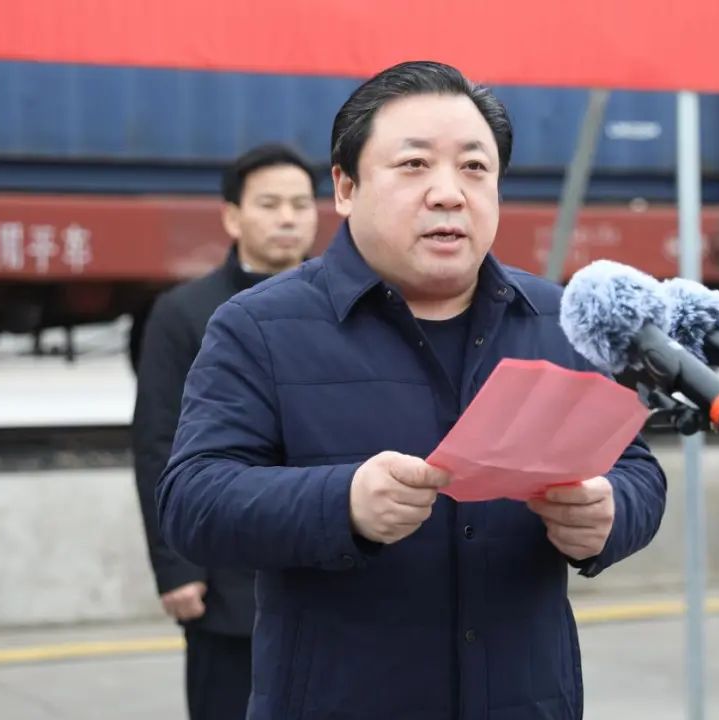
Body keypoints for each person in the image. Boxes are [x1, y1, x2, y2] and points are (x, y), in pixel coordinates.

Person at [157, 61, 667, 720]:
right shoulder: (260, 326)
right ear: (346, 187)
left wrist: (610, 512)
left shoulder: (556, 319)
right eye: (414, 165)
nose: (448, 193)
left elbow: (635, 468)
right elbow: (193, 500)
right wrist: (343, 502)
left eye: (475, 168)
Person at [132, 143, 320, 720]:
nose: (287, 218)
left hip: (329, 571)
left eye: (300, 204)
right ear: (233, 217)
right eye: (269, 204)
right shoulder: (185, 313)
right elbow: (158, 440)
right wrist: (176, 568)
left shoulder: (346, 308)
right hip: (227, 586)